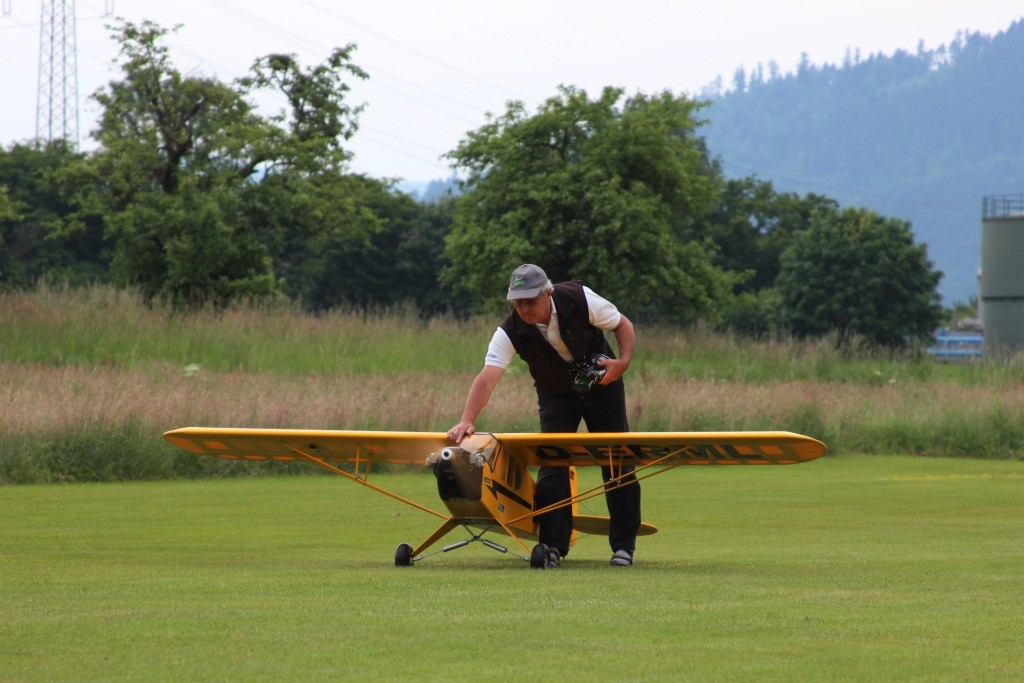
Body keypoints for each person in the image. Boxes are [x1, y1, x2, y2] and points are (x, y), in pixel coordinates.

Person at [446, 264, 641, 568]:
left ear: (547, 292)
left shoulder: (579, 298)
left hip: (604, 388)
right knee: (552, 463)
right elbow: (487, 376)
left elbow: (622, 325)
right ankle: (552, 547)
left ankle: (624, 548)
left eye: (529, 301)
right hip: (556, 397)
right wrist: (467, 419)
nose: (523, 308)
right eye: (517, 302)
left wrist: (623, 363)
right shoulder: (509, 330)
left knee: (617, 461)